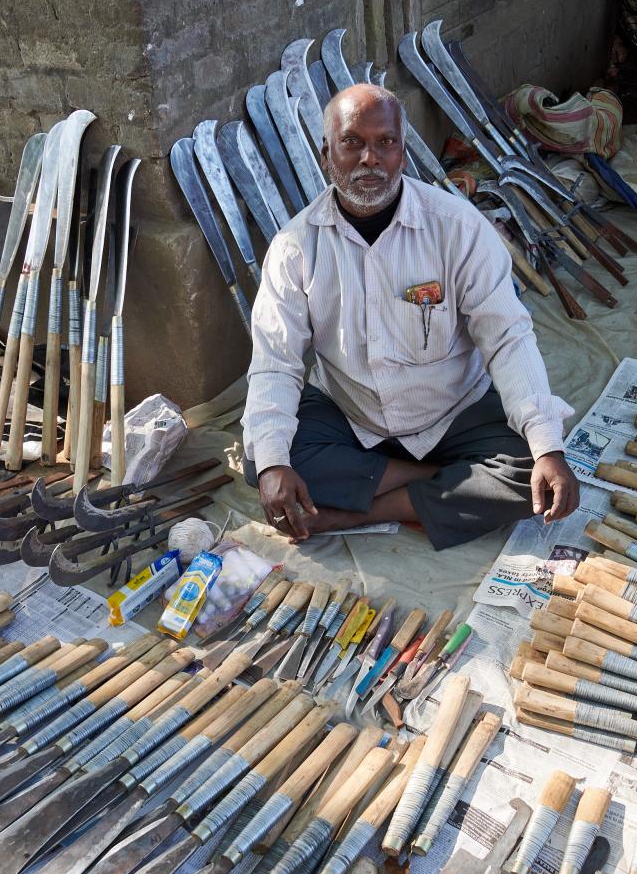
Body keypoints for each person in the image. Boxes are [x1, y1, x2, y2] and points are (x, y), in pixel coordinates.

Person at [242, 84, 579, 550]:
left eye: (386, 143)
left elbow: (507, 337)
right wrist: (275, 463)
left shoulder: (458, 228)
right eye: (352, 142)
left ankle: (360, 510)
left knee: (533, 470)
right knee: (263, 458)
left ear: (402, 151)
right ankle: (441, 482)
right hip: (353, 414)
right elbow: (275, 362)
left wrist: (546, 445)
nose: (370, 159)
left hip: (453, 411)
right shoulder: (295, 248)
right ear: (326, 154)